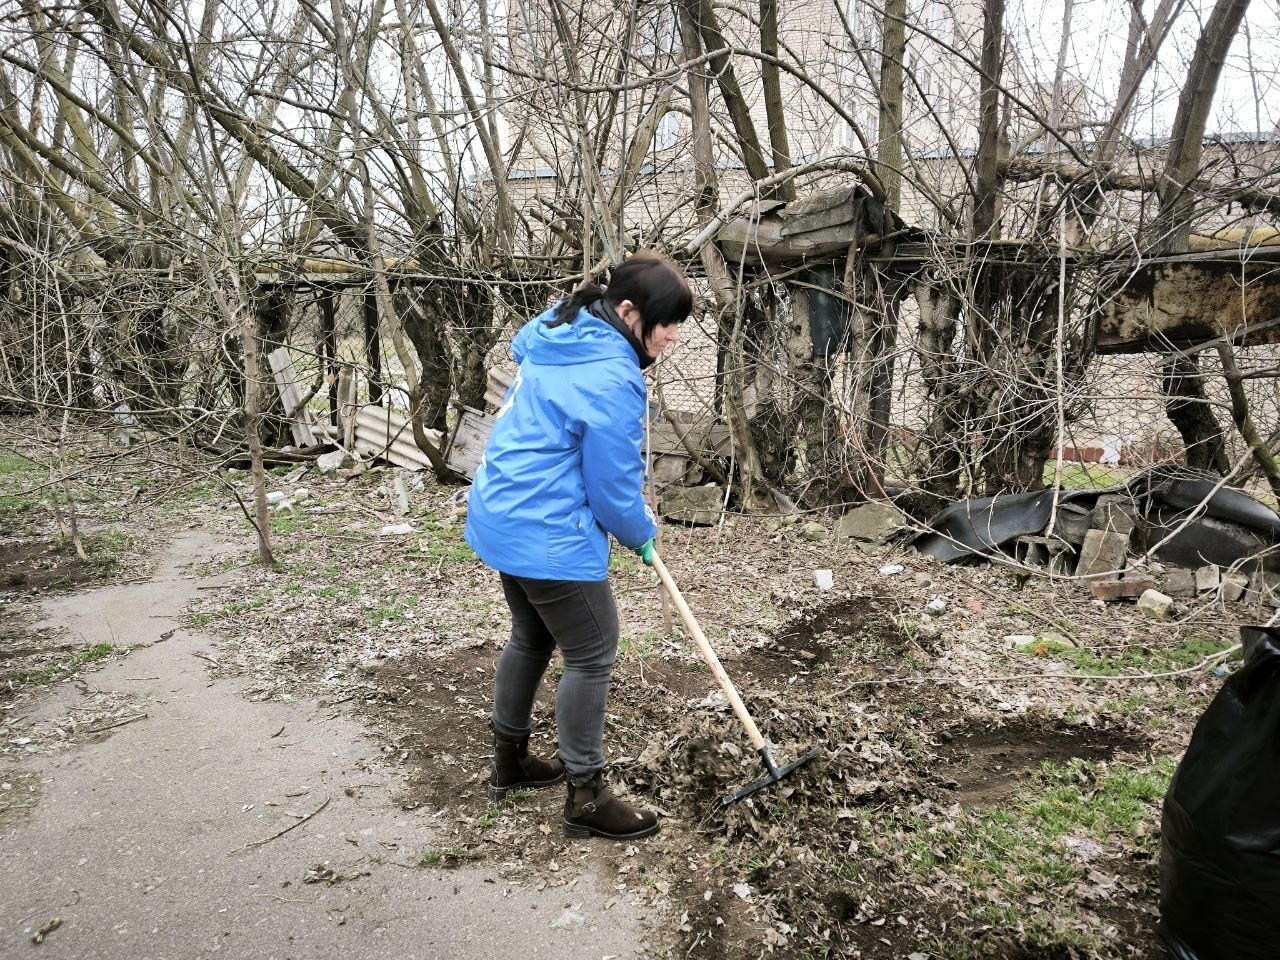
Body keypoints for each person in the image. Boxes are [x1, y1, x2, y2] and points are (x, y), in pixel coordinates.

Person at [464, 251, 691, 841]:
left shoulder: (559, 334)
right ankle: (586, 794)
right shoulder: (610, 376)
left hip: (503, 511)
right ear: (627, 311)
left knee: (533, 634)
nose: (671, 336)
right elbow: (613, 486)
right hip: (545, 529)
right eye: (666, 322)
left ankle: (509, 762)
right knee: (592, 649)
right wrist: (641, 532)